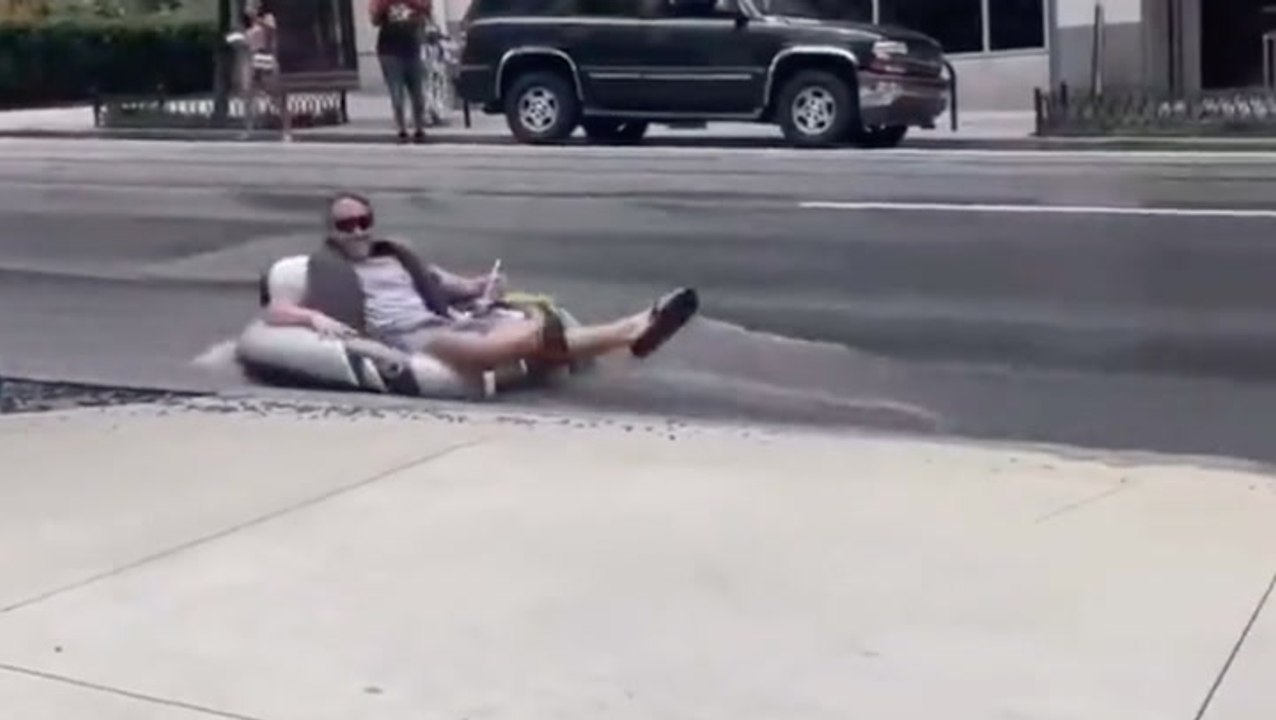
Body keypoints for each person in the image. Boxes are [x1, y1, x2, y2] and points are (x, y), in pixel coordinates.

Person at [257, 192, 700, 385]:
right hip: (412, 340)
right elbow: (275, 313)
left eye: (363, 222)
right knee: (525, 338)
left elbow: (454, 286)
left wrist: (483, 286)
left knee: (522, 333)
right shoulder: (321, 269)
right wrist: (312, 316)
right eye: (345, 225)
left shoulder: (397, 256)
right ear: (332, 230)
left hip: (443, 322)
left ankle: (634, 331)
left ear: (372, 224)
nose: (355, 230)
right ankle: (630, 330)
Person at [226, 0, 291, 141]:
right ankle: (248, 129)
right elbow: (247, 44)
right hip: (252, 59)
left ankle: (286, 130)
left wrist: (255, 18)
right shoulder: (247, 26)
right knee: (248, 96)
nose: (248, 8)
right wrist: (237, 41)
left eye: (251, 5)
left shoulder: (268, 18)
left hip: (266, 58)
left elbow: (270, 31)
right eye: (247, 6)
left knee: (276, 96)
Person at [370, 0, 430, 143]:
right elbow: (374, 20)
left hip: (412, 51)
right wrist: (382, 7)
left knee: (418, 94)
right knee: (397, 94)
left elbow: (426, 14)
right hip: (389, 52)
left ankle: (419, 128)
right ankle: (401, 129)